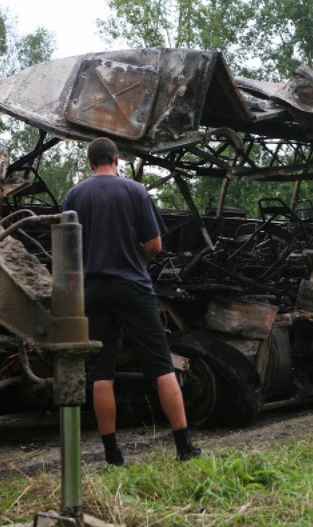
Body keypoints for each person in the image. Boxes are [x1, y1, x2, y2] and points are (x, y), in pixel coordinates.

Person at [62, 137, 203, 465]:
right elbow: (154, 244)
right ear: (116, 158)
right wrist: (135, 260)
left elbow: (67, 249)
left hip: (93, 290)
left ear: (90, 163)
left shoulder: (74, 195)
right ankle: (184, 447)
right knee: (160, 365)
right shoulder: (136, 191)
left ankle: (113, 455)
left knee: (101, 372)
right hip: (132, 287)